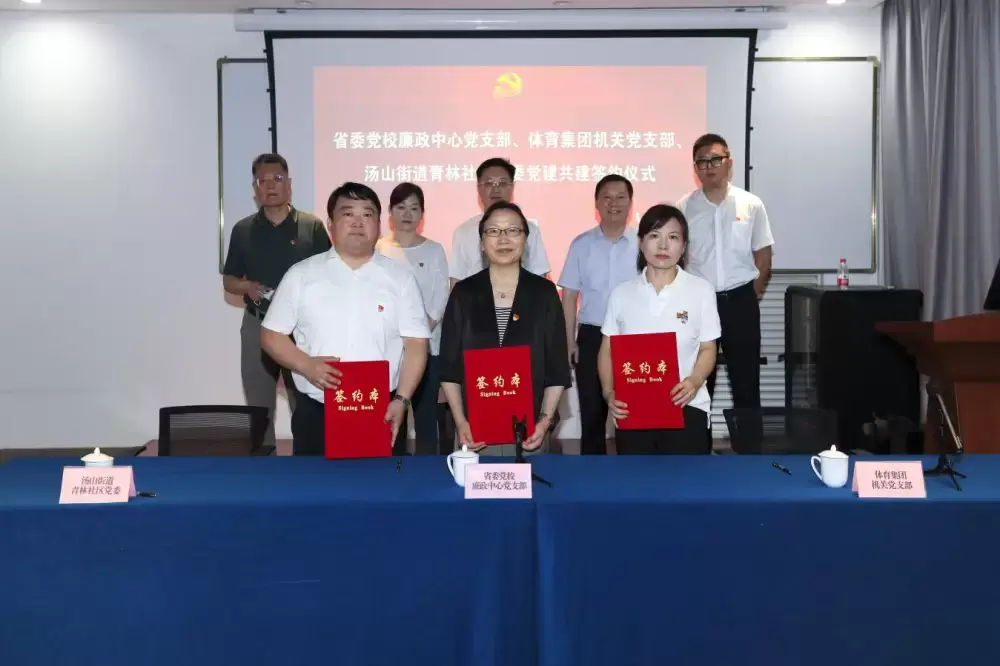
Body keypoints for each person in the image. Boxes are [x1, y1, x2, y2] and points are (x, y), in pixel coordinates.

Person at [260, 182, 430, 456]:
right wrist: (306, 365)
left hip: (383, 409)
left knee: (383, 483)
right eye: (348, 213)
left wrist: (402, 399)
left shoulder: (400, 278)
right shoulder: (301, 275)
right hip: (317, 411)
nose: (357, 222)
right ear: (330, 223)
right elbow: (271, 334)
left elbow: (416, 343)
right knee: (315, 483)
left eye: (367, 214)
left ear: (379, 225)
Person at [439, 201, 571, 456]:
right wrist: (461, 421)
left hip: (530, 432)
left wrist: (544, 421)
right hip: (474, 432)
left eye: (513, 230)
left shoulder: (544, 293)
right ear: (482, 242)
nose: (503, 239)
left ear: (525, 239)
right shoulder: (463, 293)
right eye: (493, 231)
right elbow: (449, 367)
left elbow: (556, 368)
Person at [222, 153, 331, 449]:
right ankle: (263, 467)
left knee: (305, 404)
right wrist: (246, 286)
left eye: (277, 179)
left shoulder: (311, 226)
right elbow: (229, 279)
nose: (270, 186)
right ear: (255, 188)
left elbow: (330, 275)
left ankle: (306, 466)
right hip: (258, 325)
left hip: (302, 331)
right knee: (259, 409)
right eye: (263, 181)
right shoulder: (243, 229)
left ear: (289, 184)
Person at [598, 204, 721, 454]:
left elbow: (708, 347)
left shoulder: (701, 291)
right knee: (636, 478)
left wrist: (695, 380)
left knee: (687, 479)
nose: (663, 245)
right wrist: (609, 393)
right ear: (641, 242)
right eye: (655, 236)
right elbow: (607, 351)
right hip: (632, 410)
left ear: (684, 246)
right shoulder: (621, 294)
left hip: (686, 405)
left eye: (673, 237)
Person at [676, 133, 773, 411]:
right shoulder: (683, 208)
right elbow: (678, 259)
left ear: (729, 163)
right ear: (695, 168)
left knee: (746, 383)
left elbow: (763, 256)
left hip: (740, 301)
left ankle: (748, 441)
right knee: (698, 384)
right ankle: (700, 439)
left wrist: (750, 294)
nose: (709, 166)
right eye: (702, 161)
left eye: (715, 159)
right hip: (699, 303)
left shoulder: (751, 204)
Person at [558, 174, 638, 455]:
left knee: (631, 415)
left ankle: (632, 473)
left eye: (621, 197)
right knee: (592, 414)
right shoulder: (581, 244)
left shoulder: (644, 243)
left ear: (630, 203)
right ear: (596, 203)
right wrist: (569, 341)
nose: (613, 203)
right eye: (607, 197)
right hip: (592, 335)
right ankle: (591, 475)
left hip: (634, 338)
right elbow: (569, 296)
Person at [375, 182, 452, 455]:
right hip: (387, 348)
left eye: (414, 208)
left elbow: (441, 296)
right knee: (391, 414)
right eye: (401, 207)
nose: (407, 214)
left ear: (422, 214)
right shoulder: (378, 248)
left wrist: (419, 333)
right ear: (390, 212)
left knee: (426, 416)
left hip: (428, 347)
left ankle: (427, 470)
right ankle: (392, 470)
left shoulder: (434, 250)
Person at [448, 157, 551, 286]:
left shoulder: (530, 229)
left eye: (502, 183)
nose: (496, 189)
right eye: (488, 183)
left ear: (512, 187)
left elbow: (540, 277)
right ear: (478, 188)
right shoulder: (463, 232)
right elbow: (456, 281)